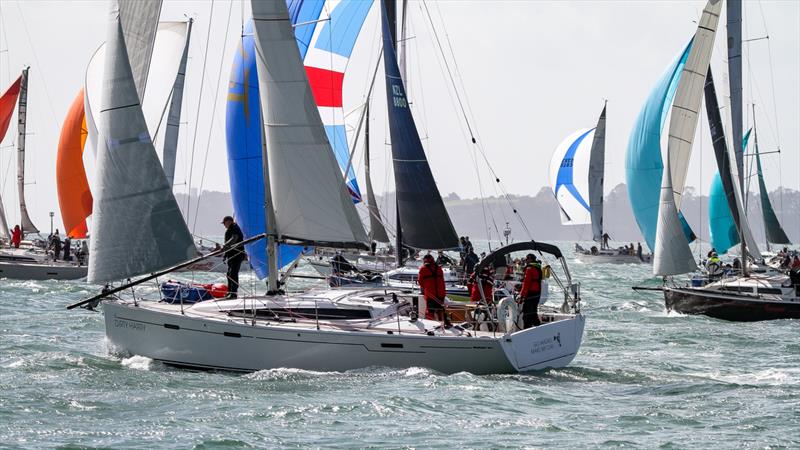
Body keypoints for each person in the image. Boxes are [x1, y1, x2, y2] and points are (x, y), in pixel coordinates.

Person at [418, 254, 447, 323]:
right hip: (441, 294)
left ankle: (430, 326)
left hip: (431, 295)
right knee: (440, 311)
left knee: (430, 312)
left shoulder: (423, 269)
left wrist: (425, 288)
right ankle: (443, 324)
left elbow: (420, 282)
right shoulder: (439, 268)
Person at [222, 216, 245, 298]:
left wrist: (226, 244)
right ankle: (229, 291)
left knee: (233, 273)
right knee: (229, 274)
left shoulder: (235, 227)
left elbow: (234, 238)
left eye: (224, 223)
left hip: (237, 254)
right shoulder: (229, 230)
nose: (224, 225)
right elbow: (227, 246)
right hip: (230, 255)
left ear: (229, 221)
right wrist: (225, 255)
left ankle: (234, 293)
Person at [519, 254, 543, 328]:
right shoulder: (538, 267)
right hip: (537, 292)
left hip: (531, 293)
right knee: (533, 311)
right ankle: (537, 326)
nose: (526, 261)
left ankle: (527, 329)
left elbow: (526, 283)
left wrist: (521, 295)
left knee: (527, 313)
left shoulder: (530, 268)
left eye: (527, 259)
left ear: (530, 259)